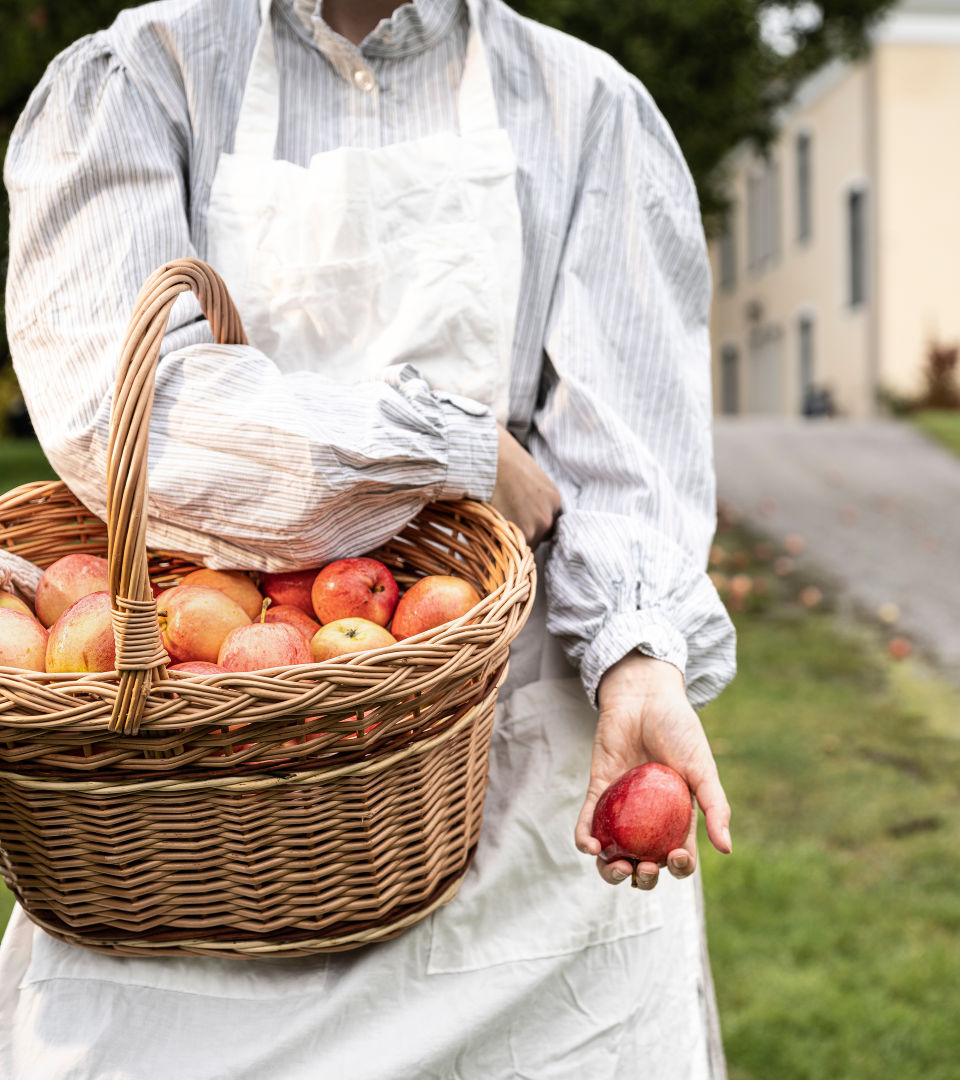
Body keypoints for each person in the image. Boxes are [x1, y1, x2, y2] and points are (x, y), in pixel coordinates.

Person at [0, 0, 736, 1075]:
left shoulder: (590, 110)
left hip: (503, 777)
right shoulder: (145, 75)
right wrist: (458, 448)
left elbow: (628, 458)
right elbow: (125, 412)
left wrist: (635, 657)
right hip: (202, 797)